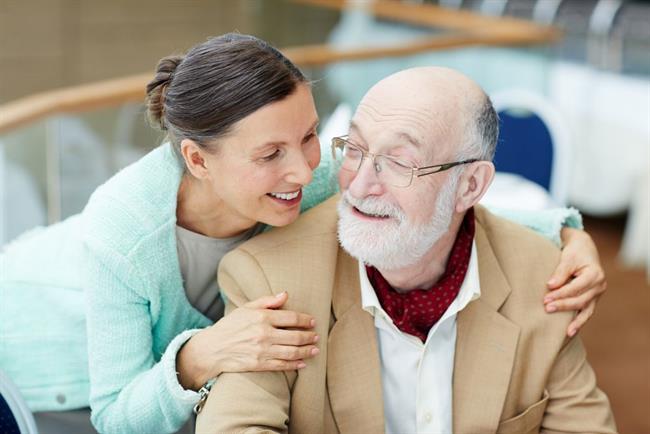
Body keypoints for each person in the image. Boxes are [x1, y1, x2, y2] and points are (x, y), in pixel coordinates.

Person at [0, 35, 604, 434]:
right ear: (199, 160)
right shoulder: (123, 234)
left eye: (311, 136)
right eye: (271, 153)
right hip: (48, 368)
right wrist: (199, 356)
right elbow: (115, 413)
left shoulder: (298, 178)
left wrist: (563, 231)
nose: (303, 168)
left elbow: (424, 200)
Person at [195, 67, 617, 433]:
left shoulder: (546, 279)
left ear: (469, 186)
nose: (359, 187)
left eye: (399, 163)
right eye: (354, 150)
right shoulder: (272, 278)